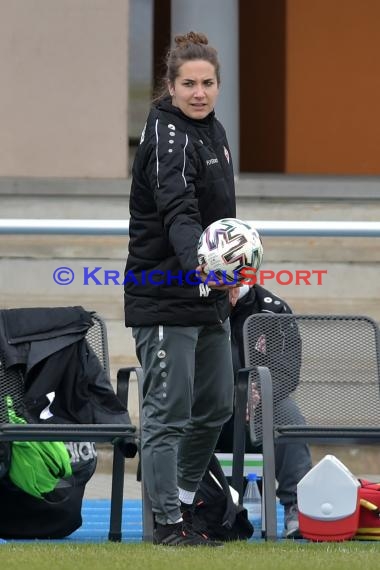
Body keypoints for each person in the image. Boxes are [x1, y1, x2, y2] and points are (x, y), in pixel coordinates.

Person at [124, 31, 240, 546]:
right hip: (165, 295)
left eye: (208, 83)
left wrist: (232, 272)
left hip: (209, 293)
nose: (199, 92)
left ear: (218, 85)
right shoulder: (166, 135)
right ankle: (166, 525)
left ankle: (188, 507)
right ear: (170, 87)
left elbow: (222, 219)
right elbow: (180, 214)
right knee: (167, 415)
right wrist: (206, 265)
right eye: (188, 83)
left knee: (217, 405)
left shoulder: (214, 132)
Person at [216, 283, 313, 538]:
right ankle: (177, 509)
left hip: (258, 411)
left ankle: (297, 507)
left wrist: (257, 392)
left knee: (288, 415)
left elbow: (286, 370)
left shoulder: (274, 310)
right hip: (209, 407)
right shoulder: (192, 303)